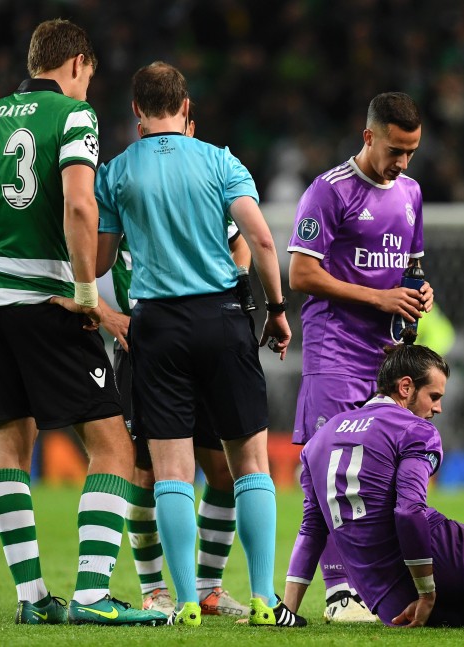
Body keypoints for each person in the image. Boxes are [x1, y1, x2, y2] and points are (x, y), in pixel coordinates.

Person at [0, 19, 166, 627]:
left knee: (10, 448)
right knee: (113, 449)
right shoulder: (74, 118)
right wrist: (85, 292)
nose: (88, 91)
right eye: (89, 79)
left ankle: (32, 597)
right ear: (75, 65)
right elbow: (78, 202)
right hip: (49, 304)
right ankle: (94, 596)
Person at [94, 61, 299, 627]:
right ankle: (262, 599)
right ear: (186, 109)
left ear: (136, 112)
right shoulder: (219, 160)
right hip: (222, 317)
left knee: (171, 471)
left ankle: (183, 602)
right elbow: (258, 237)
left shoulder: (114, 173)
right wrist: (277, 310)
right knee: (250, 464)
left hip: (154, 326)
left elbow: (104, 259)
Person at [287, 91, 433, 622]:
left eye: (410, 152)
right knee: (327, 472)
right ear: (368, 136)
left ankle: (371, 582)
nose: (402, 163)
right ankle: (338, 589)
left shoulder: (412, 193)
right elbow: (300, 275)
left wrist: (420, 292)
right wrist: (378, 296)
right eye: (395, 150)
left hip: (387, 357)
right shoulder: (328, 192)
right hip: (335, 350)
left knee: (380, 474)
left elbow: (410, 269)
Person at [283, 344, 464, 627]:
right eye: (434, 396)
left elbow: (312, 528)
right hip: (440, 559)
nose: (438, 408)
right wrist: (426, 591)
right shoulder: (415, 430)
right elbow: (409, 510)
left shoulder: (320, 439)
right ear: (405, 387)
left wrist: (288, 611)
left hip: (389, 601)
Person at [109, 210, 253, 619]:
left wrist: (236, 288)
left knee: (222, 471)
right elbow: (79, 257)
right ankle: (154, 590)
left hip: (203, 341)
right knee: (147, 473)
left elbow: (238, 241)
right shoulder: (122, 189)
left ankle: (209, 589)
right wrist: (102, 311)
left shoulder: (194, 190)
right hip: (144, 345)